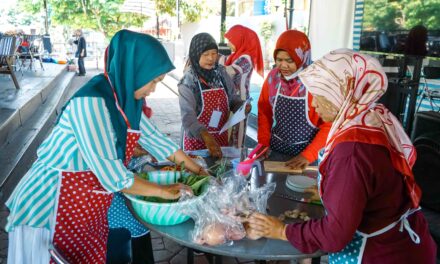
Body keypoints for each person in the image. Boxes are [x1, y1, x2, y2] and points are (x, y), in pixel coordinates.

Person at [5, 29, 208, 264]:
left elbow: (159, 142)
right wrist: (166, 191)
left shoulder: (125, 100)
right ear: (133, 70)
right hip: (52, 203)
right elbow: (114, 178)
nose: (153, 89)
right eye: (152, 81)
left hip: (87, 204)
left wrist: (198, 170)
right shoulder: (90, 102)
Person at [247, 49, 437, 263]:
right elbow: (369, 187)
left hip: (384, 253)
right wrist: (333, 192)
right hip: (406, 241)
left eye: (319, 96)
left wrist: (281, 230)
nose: (314, 104)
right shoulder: (369, 117)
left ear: (341, 95)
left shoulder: (351, 151)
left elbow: (335, 235)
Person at [257, 30, 331, 169]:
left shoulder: (316, 81)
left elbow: (328, 124)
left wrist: (309, 155)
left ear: (302, 57)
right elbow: (264, 111)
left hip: (308, 157)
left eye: (290, 60)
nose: (283, 66)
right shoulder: (273, 78)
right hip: (276, 151)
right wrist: (263, 142)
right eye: (279, 60)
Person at [178, 32, 250, 158]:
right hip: (195, 143)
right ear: (195, 55)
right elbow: (188, 118)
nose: (211, 58)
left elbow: (232, 98)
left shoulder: (221, 73)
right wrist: (205, 136)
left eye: (214, 53)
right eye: (205, 54)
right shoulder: (188, 82)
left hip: (220, 140)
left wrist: (241, 106)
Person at [219, 25, 264, 148]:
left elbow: (231, 70)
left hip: (241, 102)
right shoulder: (235, 56)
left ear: (240, 40)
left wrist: (212, 63)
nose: (228, 44)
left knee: (237, 135)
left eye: (230, 40)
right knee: (228, 133)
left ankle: (236, 162)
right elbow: (223, 61)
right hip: (232, 100)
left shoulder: (246, 58)